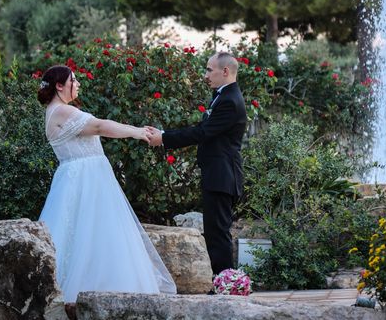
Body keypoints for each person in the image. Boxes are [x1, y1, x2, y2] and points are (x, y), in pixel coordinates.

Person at [37, 65, 176, 302]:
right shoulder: (61, 111)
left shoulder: (56, 111)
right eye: (73, 80)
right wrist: (137, 132)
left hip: (77, 178)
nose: (78, 84)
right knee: (95, 234)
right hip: (87, 180)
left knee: (89, 235)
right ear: (59, 86)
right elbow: (101, 126)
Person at [147, 52, 247, 278]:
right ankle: (223, 283)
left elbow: (203, 132)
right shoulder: (222, 96)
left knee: (218, 234)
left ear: (225, 71)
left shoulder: (230, 101)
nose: (205, 75)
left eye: (209, 70)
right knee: (214, 232)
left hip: (223, 175)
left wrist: (164, 137)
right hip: (217, 174)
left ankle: (225, 285)